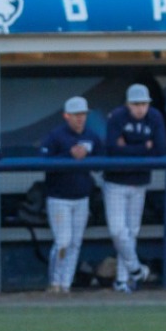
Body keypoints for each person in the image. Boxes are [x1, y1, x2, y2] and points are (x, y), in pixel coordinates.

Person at [101, 83, 166, 292]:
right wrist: (143, 147)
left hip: (140, 182)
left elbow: (160, 149)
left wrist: (128, 146)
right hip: (115, 182)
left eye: (144, 104)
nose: (140, 108)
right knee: (118, 231)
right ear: (128, 104)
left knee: (132, 232)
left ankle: (123, 280)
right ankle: (136, 269)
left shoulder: (155, 117)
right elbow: (112, 148)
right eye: (136, 104)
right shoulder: (117, 117)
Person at [38, 96, 103, 294]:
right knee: (63, 241)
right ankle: (54, 282)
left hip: (81, 198)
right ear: (66, 116)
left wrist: (88, 155)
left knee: (75, 243)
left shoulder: (91, 136)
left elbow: (103, 157)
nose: (80, 119)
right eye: (76, 115)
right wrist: (69, 156)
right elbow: (42, 159)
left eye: (83, 114)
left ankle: (65, 284)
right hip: (59, 198)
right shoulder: (56, 135)